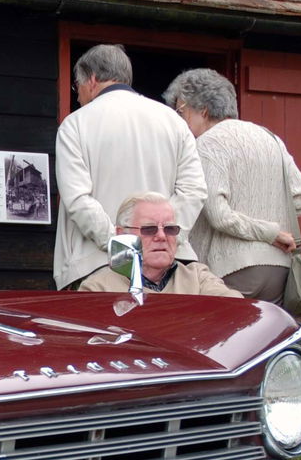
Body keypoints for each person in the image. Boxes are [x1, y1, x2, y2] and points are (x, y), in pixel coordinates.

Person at [53, 44, 206, 289]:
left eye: (76, 87)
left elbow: (77, 198)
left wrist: (123, 244)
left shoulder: (75, 125)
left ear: (91, 79)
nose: (78, 96)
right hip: (169, 272)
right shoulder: (173, 121)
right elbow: (194, 191)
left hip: (98, 266)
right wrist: (163, 240)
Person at [163, 67, 301, 306]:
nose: (178, 120)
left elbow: (219, 216)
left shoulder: (206, 144)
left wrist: (269, 232)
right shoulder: (270, 138)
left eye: (181, 111)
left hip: (229, 270)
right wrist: (271, 224)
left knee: (217, 341)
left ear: (203, 110)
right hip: (279, 270)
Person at [79, 193, 242, 297]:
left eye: (170, 229)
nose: (162, 236)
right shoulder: (98, 289)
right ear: (123, 235)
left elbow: (235, 308)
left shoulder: (197, 278)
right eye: (149, 229)